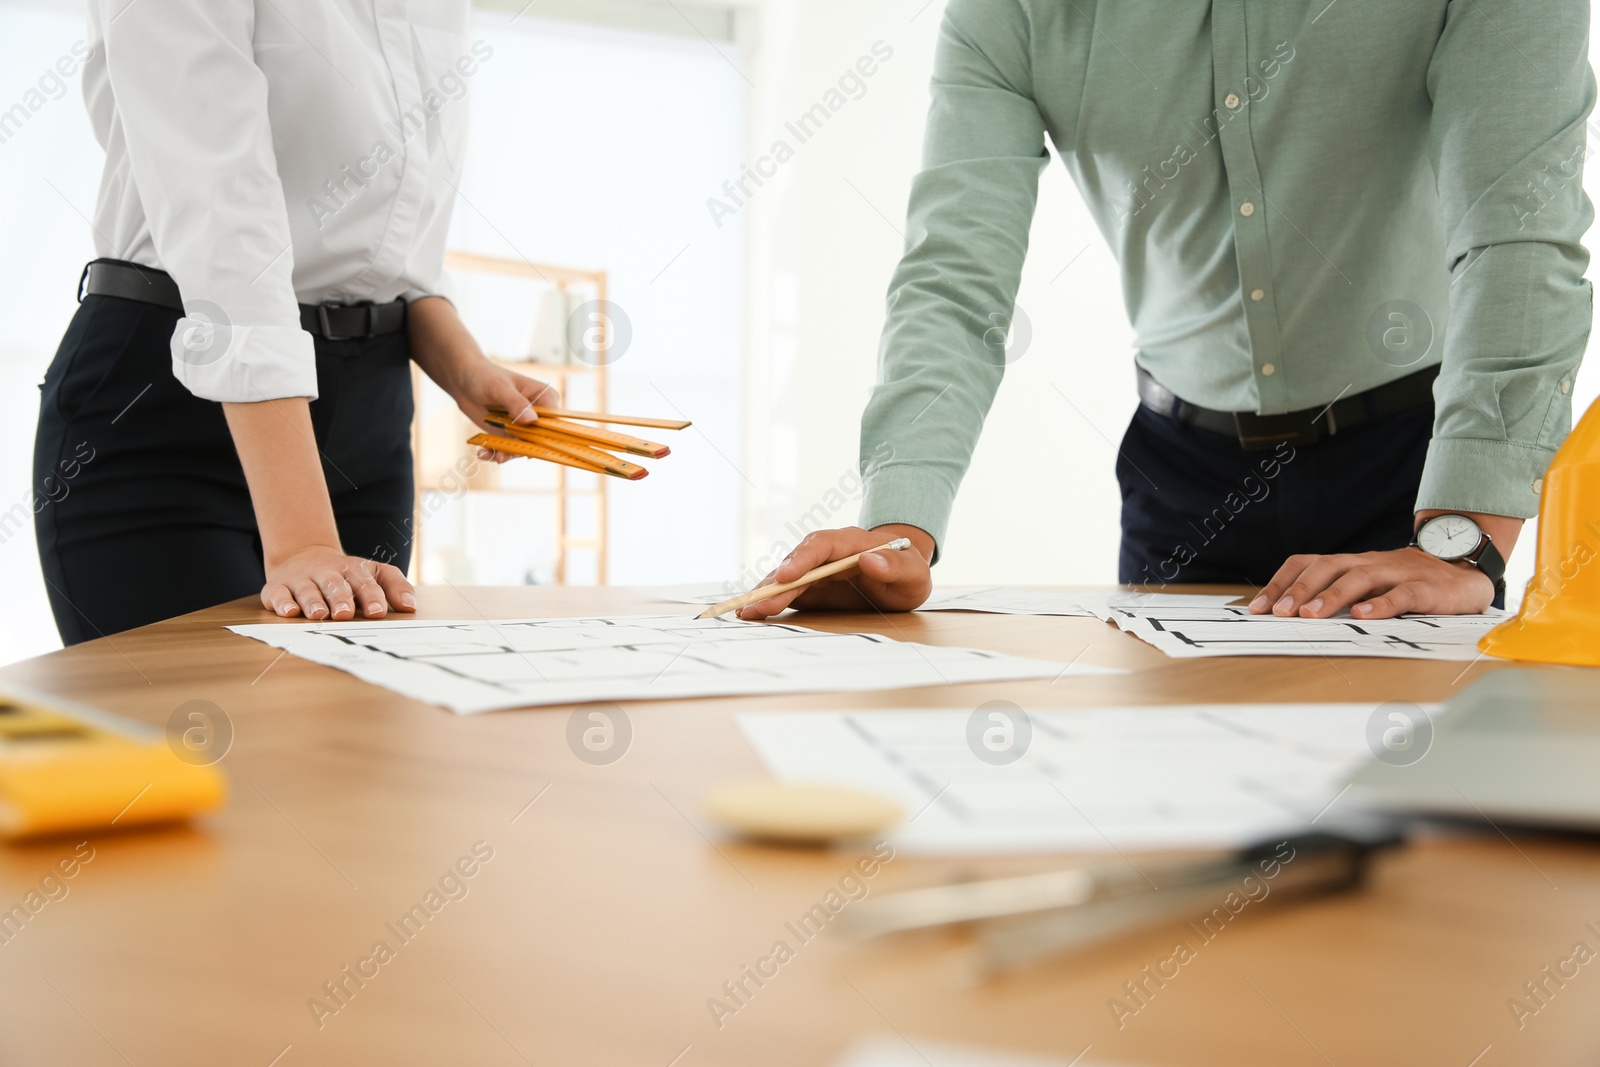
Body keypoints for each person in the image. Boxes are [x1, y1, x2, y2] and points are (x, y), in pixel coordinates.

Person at [737, 0, 1593, 622]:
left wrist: (1467, 540)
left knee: (1420, 833)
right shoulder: (1008, 14)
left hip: (1414, 469)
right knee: (1164, 812)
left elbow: (1518, 232)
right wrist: (898, 527)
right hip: (1182, 481)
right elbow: (954, 276)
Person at [33, 1, 552, 645]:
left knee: (347, 739)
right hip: (167, 399)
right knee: (204, 737)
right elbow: (223, 218)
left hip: (370, 417)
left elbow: (391, 238)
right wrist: (304, 539)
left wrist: (464, 364)